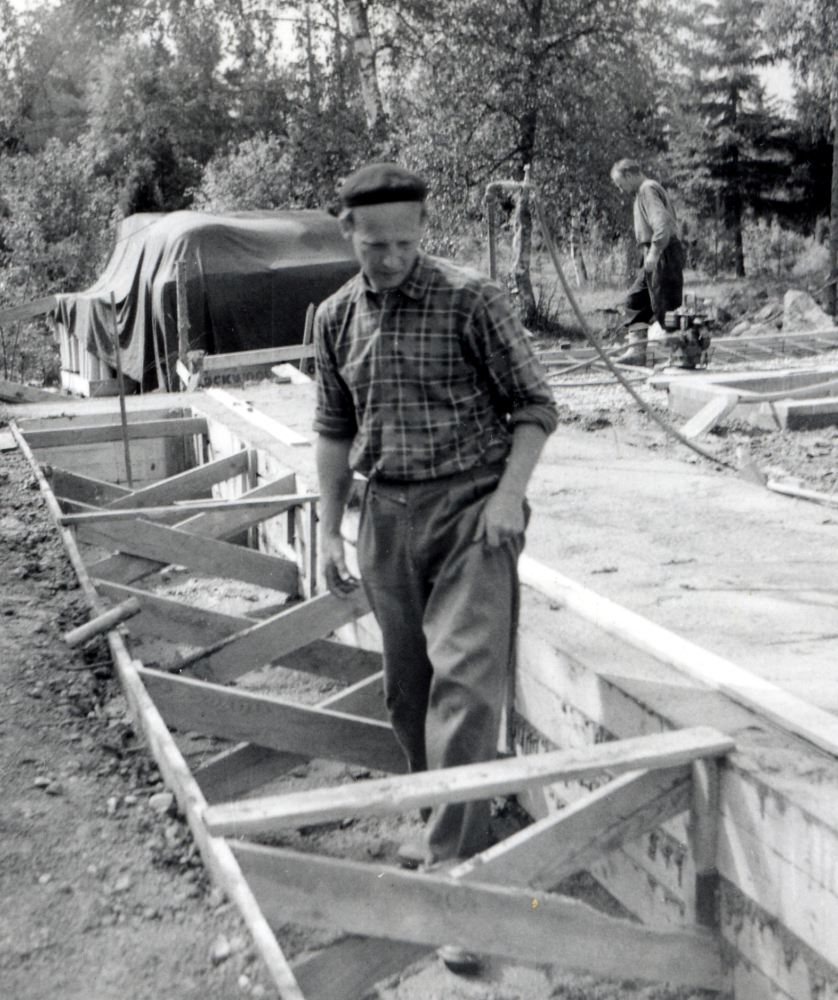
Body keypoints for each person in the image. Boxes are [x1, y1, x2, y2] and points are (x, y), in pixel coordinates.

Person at [313, 162, 558, 969]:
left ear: (423, 231)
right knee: (407, 689)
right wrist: (327, 529)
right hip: (385, 515)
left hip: (470, 515)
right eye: (375, 244)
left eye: (405, 242)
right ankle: (440, 818)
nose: (391, 258)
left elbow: (535, 407)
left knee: (464, 686)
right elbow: (332, 431)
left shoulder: (469, 300)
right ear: (346, 233)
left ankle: (456, 882)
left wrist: (509, 499)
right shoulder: (334, 318)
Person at [610, 158, 686, 366]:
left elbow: (662, 223)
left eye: (620, 183)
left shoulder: (647, 190)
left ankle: (680, 357)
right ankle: (637, 352)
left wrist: (654, 252)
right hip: (655, 254)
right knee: (636, 301)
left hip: (663, 253)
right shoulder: (644, 191)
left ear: (630, 175)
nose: (620, 189)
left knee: (666, 307)